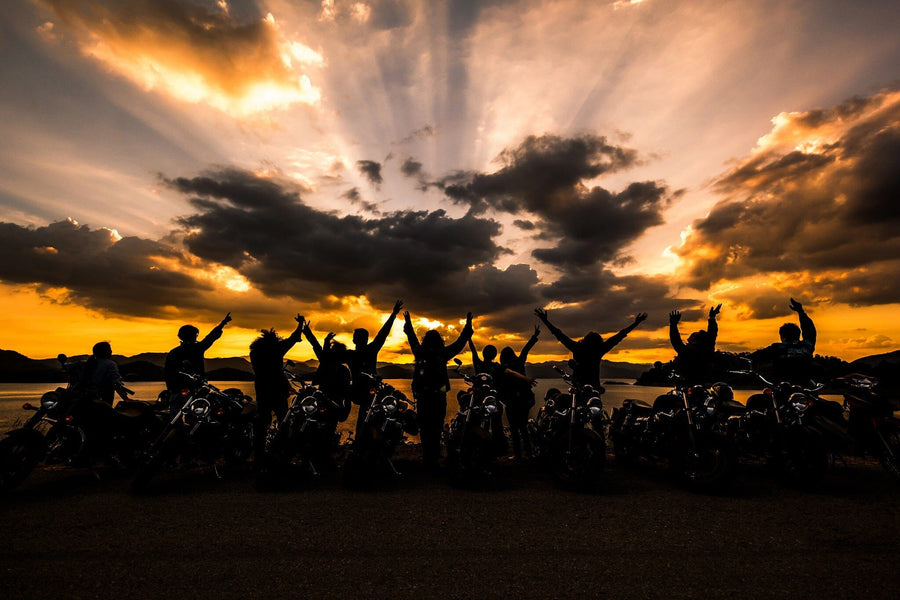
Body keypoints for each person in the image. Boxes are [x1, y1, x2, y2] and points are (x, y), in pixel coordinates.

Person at [403, 309, 474, 469]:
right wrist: (468, 324)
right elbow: (460, 342)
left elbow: (412, 339)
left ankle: (428, 459)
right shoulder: (442, 353)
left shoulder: (421, 353)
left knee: (425, 428)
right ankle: (433, 458)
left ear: (425, 340)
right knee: (436, 427)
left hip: (424, 397)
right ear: (439, 341)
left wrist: (409, 324)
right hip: (438, 397)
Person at [534, 308, 647, 388]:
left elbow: (558, 334)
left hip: (578, 386)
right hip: (594, 387)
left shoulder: (578, 347)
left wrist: (545, 320)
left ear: (585, 339)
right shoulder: (599, 349)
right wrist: (636, 323)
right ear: (599, 341)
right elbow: (620, 335)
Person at [249, 314, 306, 464]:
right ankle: (283, 452)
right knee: (283, 420)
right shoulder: (277, 349)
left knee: (262, 422)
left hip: (262, 389)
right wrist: (300, 324)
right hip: (278, 390)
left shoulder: (254, 353)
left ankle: (259, 455)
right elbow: (294, 338)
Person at [348, 300, 403, 437]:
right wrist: (393, 315)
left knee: (367, 421)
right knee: (366, 421)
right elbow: (382, 334)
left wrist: (393, 315)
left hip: (368, 394)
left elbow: (382, 334)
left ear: (355, 340)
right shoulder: (363, 352)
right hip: (363, 394)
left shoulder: (355, 354)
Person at [164, 312, 232, 415]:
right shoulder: (197, 348)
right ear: (190, 336)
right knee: (195, 417)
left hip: (180, 391)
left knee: (176, 417)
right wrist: (223, 323)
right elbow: (211, 337)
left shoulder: (174, 352)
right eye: (195, 335)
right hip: (191, 390)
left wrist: (171, 389)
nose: (196, 337)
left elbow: (167, 373)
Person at [498, 325, 540, 460]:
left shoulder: (504, 368)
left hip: (512, 401)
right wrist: (534, 337)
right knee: (523, 427)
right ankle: (528, 452)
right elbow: (525, 350)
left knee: (514, 429)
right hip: (524, 400)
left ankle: (517, 455)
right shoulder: (519, 362)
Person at [752, 298, 817, 384]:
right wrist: (801, 312)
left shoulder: (776, 348)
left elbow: (754, 356)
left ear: (782, 336)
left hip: (782, 386)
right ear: (798, 335)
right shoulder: (807, 345)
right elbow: (809, 330)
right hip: (804, 385)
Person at [302, 324, 352, 425]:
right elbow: (347, 393)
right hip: (324, 402)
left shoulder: (333, 366)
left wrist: (308, 332)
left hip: (331, 405)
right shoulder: (334, 365)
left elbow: (317, 347)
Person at [669, 304, 721, 384]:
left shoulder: (687, 352)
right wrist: (712, 317)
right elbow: (712, 333)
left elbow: (676, 340)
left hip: (688, 382)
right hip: (703, 382)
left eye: (692, 336)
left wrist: (673, 325)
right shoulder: (708, 348)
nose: (688, 340)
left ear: (695, 341)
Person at [69, 341, 133, 406]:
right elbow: (116, 383)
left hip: (82, 400)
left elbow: (66, 367)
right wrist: (126, 398)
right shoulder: (110, 364)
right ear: (105, 352)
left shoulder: (82, 364)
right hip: (102, 402)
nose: (111, 351)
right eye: (109, 350)